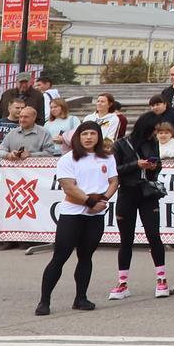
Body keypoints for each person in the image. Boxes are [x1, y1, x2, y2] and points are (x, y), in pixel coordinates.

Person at [36, 119, 115, 315]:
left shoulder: (107, 158)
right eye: (84, 134)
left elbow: (114, 181)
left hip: (95, 214)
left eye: (92, 134)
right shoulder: (68, 159)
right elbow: (69, 186)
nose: (88, 138)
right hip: (72, 213)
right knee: (60, 257)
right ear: (78, 137)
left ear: (98, 137)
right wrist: (90, 203)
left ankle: (81, 297)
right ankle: (44, 301)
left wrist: (103, 200)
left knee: (86, 257)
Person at [108, 104, 172, 302]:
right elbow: (115, 169)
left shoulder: (151, 143)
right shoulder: (120, 144)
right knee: (126, 238)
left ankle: (161, 279)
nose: (155, 133)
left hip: (147, 192)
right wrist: (136, 164)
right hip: (127, 192)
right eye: (153, 129)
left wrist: (153, 166)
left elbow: (157, 167)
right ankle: (122, 281)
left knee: (154, 235)